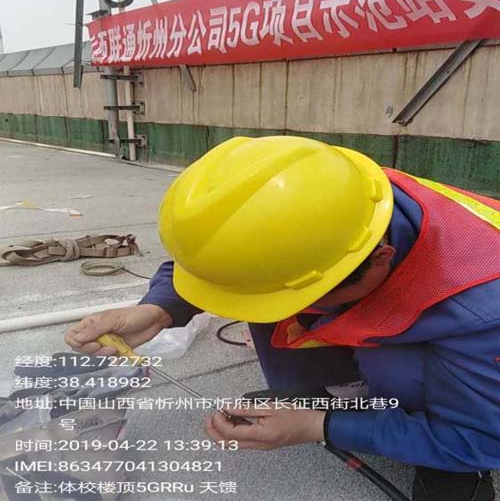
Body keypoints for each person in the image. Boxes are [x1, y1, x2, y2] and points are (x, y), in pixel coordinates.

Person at [65, 136, 500, 501]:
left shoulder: (479, 306)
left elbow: (485, 437)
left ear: (380, 260)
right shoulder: (327, 193)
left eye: (301, 295)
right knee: (278, 296)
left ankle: (445, 458)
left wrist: (319, 427)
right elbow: (232, 256)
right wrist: (159, 310)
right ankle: (329, 394)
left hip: (478, 335)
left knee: (400, 368)